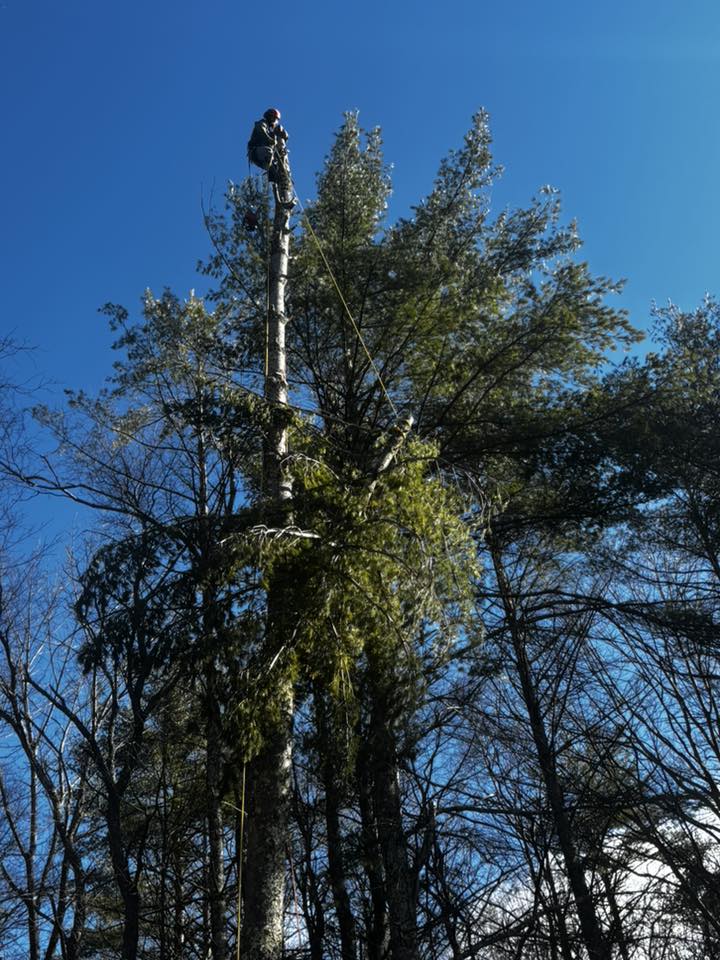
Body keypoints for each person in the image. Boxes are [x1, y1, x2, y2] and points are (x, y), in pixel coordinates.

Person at [247, 108, 293, 203]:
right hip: (256, 152)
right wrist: (271, 140)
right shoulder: (261, 124)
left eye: (276, 120)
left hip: (266, 156)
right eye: (273, 119)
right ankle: (274, 177)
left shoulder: (272, 130)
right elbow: (261, 132)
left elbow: (286, 136)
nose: (274, 121)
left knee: (278, 169)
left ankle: (280, 185)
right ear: (269, 117)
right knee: (268, 152)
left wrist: (282, 133)